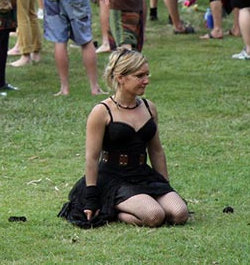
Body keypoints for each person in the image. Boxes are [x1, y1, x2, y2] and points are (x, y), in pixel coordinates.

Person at [59, 49, 189, 228]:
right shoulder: (102, 111)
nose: (147, 81)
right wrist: (91, 198)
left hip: (142, 173)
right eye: (140, 76)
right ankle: (112, 210)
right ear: (120, 78)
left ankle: (142, 203)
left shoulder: (149, 107)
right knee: (155, 215)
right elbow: (92, 157)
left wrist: (164, 186)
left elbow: (156, 151)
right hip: (113, 178)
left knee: (179, 214)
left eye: (147, 74)